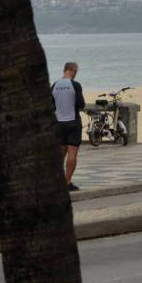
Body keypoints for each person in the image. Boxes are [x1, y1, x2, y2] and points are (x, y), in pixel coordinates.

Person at [52, 62, 85, 191]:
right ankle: (67, 181)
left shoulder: (55, 85)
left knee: (60, 153)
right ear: (72, 70)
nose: (76, 74)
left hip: (59, 123)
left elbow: (51, 105)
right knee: (72, 153)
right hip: (73, 122)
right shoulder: (75, 85)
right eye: (76, 72)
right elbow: (80, 103)